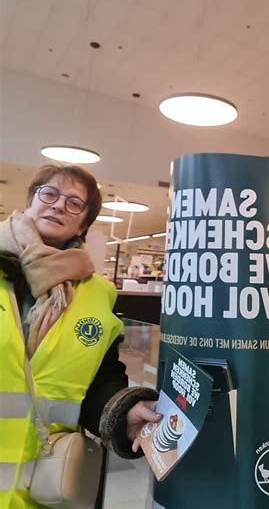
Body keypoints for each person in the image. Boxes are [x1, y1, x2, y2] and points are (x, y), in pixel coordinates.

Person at [0, 164, 161, 508]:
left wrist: (125, 411)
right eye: (50, 193)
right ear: (30, 201)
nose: (59, 205)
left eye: (75, 203)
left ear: (85, 223)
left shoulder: (97, 294)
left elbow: (100, 381)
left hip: (44, 486)